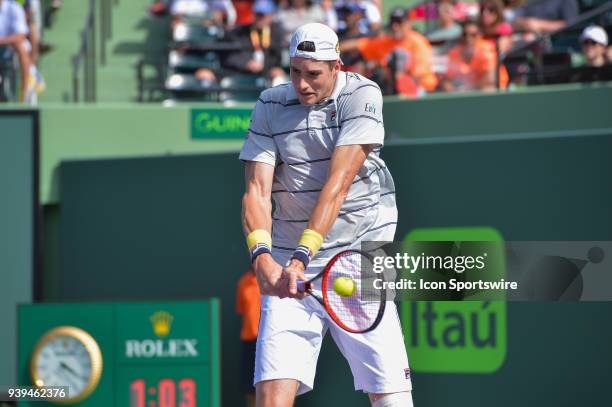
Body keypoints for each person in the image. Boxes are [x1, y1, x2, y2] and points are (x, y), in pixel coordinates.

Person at [240, 22, 413, 407]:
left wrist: (303, 256)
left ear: (337, 67)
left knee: (390, 399)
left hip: (356, 255)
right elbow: (256, 191)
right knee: (270, 398)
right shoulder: (269, 103)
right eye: (295, 72)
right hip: (287, 260)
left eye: (313, 74)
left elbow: (338, 184)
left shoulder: (362, 94)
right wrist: (262, 257)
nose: (302, 84)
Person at [341, 7, 438, 96]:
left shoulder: (417, 41)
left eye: (399, 22)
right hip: (392, 88)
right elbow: (357, 44)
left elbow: (418, 76)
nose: (395, 26)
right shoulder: (386, 42)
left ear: (409, 23)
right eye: (393, 22)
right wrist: (333, 48)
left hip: (422, 90)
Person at [441, 18, 508, 92]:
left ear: (480, 35)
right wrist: (452, 92)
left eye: (473, 35)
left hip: (494, 92)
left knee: (487, 89)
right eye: (465, 34)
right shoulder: (454, 52)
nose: (468, 38)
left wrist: (468, 89)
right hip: (465, 92)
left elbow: (491, 78)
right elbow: (446, 79)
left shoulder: (487, 49)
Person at [236, 267, 261, 407]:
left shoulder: (278, 278)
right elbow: (242, 311)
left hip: (272, 340)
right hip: (249, 341)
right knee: (250, 388)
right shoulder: (243, 282)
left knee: (281, 383)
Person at [0, 0, 31, 102]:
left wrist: (2, 41)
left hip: (10, 46)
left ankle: (25, 88)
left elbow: (21, 35)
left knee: (21, 47)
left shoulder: (15, 8)